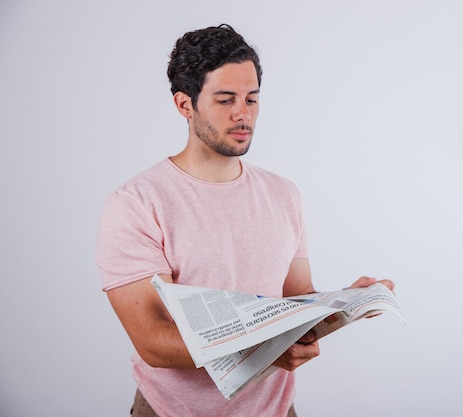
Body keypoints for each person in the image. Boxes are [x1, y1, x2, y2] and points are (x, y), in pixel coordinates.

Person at [95, 24, 394, 417]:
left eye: (252, 99)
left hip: (275, 410)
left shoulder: (283, 194)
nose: (243, 113)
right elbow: (153, 342)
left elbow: (295, 299)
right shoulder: (136, 203)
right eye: (225, 100)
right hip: (173, 412)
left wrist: (340, 307)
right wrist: (267, 346)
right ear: (185, 104)